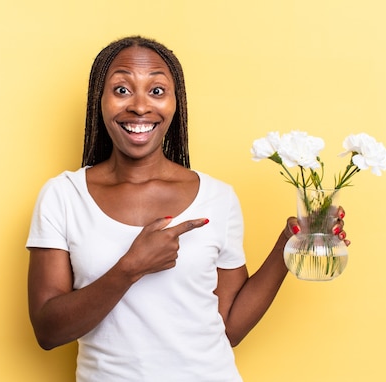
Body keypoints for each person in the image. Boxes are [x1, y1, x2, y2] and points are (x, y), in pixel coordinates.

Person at [26, 36, 348, 382]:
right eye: (122, 90)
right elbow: (48, 331)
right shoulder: (64, 195)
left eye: (157, 91)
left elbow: (229, 327)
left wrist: (290, 243)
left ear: (175, 104)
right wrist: (130, 268)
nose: (139, 106)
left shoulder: (217, 197)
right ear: (98, 102)